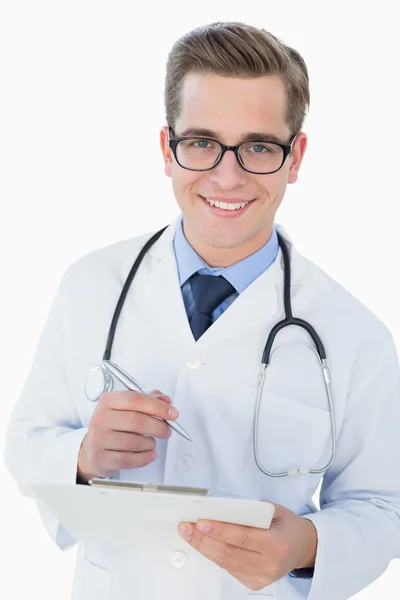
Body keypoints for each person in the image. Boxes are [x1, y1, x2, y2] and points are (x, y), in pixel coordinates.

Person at [4, 20, 400, 600]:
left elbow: (383, 505)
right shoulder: (90, 285)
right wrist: (84, 456)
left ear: (296, 158)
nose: (228, 173)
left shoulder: (352, 333)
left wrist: (307, 545)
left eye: (260, 147)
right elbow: (24, 441)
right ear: (168, 149)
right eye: (201, 142)